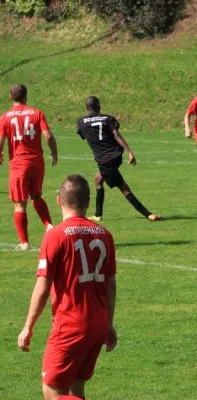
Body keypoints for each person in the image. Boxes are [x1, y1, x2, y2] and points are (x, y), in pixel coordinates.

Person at [17, 174, 118, 400]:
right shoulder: (105, 235)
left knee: (52, 390)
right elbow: (111, 286)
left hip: (71, 325)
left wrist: (28, 326)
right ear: (88, 202)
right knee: (75, 388)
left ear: (58, 201)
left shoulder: (55, 236)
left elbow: (43, 286)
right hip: (98, 323)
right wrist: (108, 324)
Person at [76, 96, 161, 222]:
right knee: (98, 180)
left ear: (86, 107)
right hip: (115, 156)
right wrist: (129, 152)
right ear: (99, 106)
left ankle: (148, 214)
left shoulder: (81, 122)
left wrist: (98, 153)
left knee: (123, 188)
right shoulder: (108, 119)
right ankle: (98, 214)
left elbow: (88, 138)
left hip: (105, 160)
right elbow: (116, 135)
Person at [0, 84, 58, 250]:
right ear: (26, 96)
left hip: (19, 164)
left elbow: (1, 140)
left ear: (10, 97)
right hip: (37, 162)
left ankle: (24, 243)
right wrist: (54, 152)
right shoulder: (36, 113)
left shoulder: (5, 117)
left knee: (19, 203)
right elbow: (47, 135)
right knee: (36, 196)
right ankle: (49, 226)